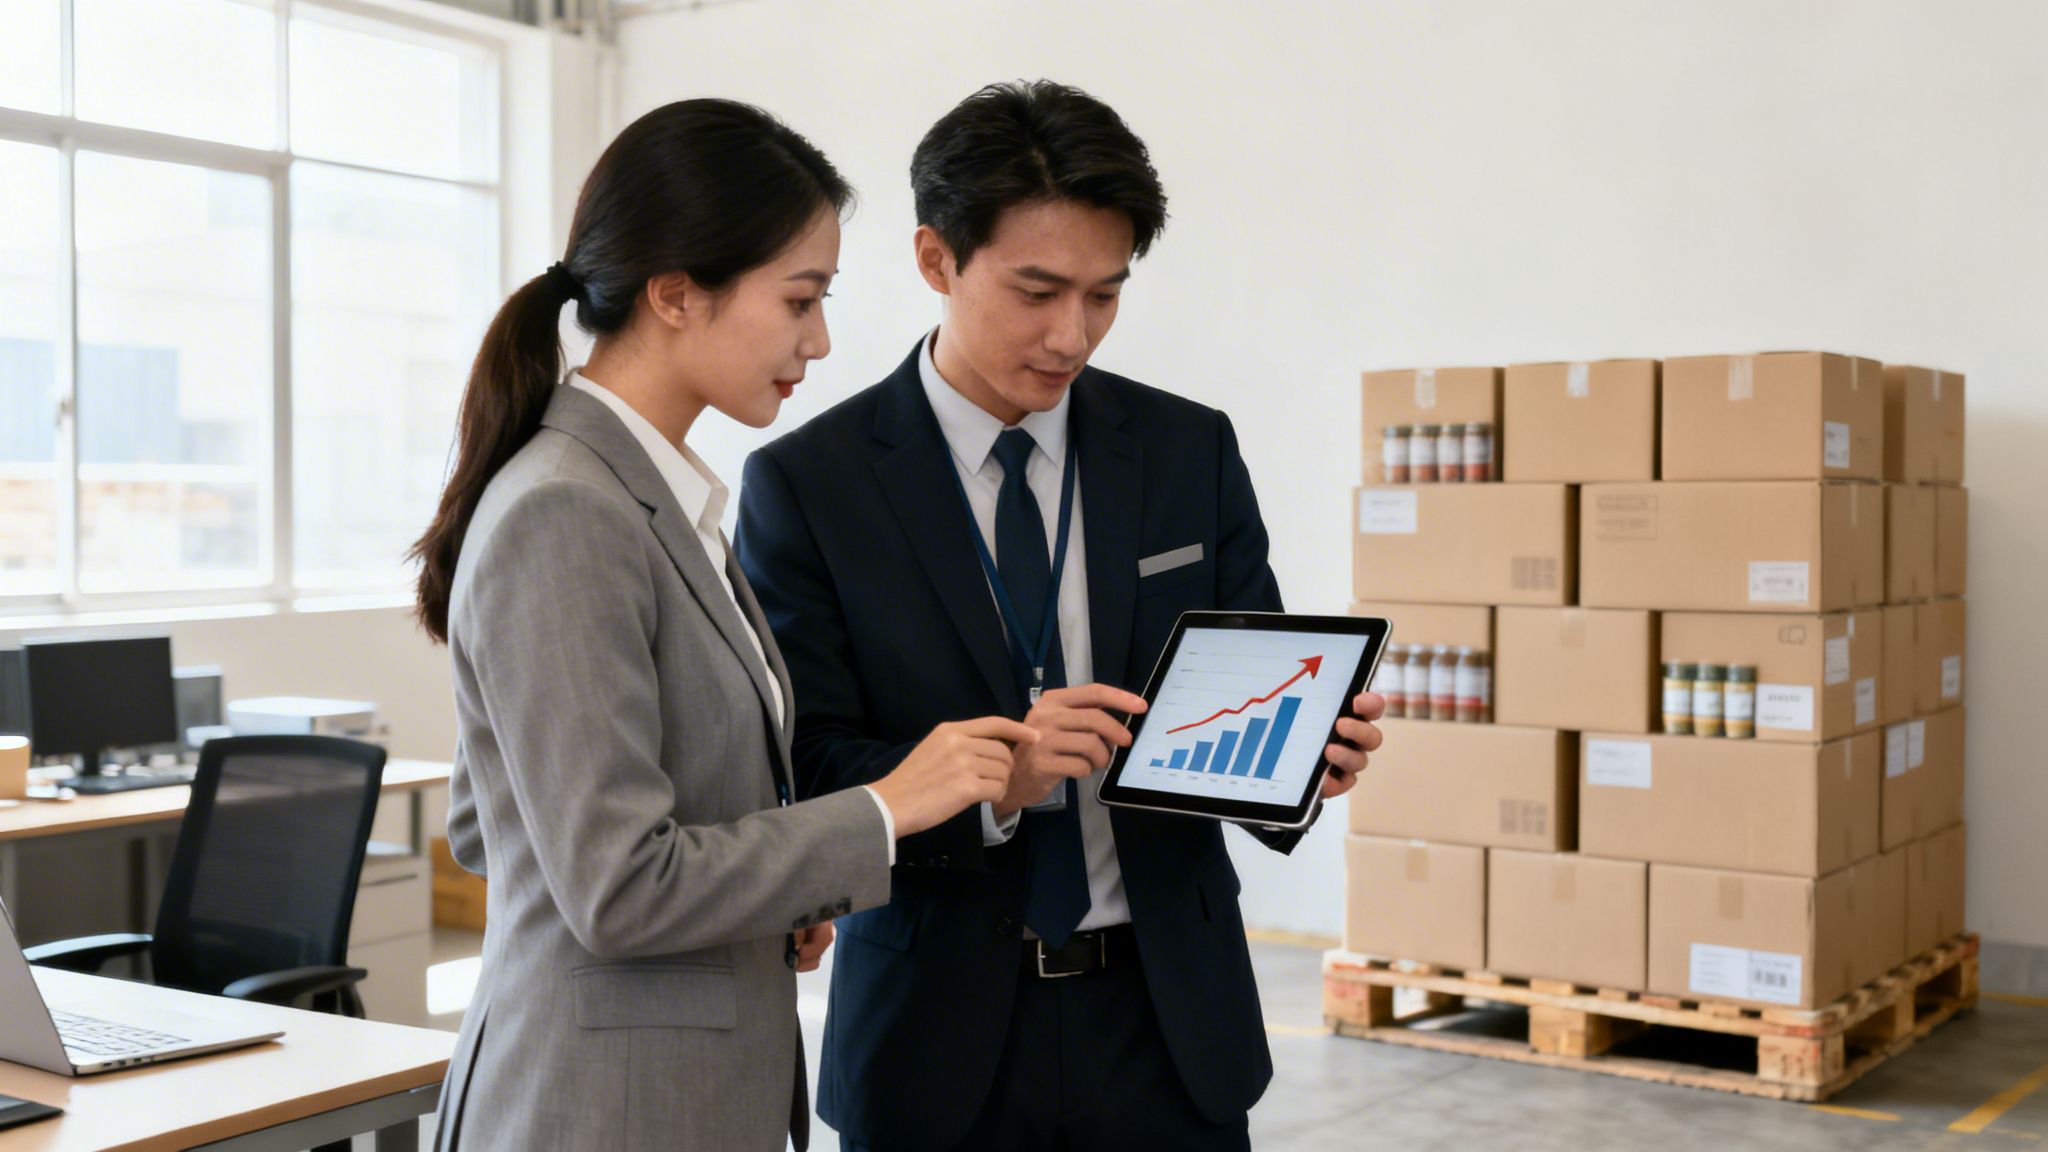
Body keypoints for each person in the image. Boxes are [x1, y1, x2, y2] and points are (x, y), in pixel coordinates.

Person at [735, 80, 1385, 1151]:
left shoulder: (1185, 453)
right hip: (935, 1039)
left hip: (1169, 1025)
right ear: (935, 259)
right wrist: (998, 784)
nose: (1069, 334)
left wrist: (1299, 765)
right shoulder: (812, 483)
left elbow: (1242, 687)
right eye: (1035, 290)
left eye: (1103, 294)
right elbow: (805, 765)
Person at [410, 99, 1035, 1152]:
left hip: (674, 1089)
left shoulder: (655, 499)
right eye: (799, 299)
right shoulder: (567, 511)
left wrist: (768, 896)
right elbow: (614, 888)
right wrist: (885, 807)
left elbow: (493, 825)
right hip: (599, 1107)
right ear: (673, 295)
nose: (820, 339)